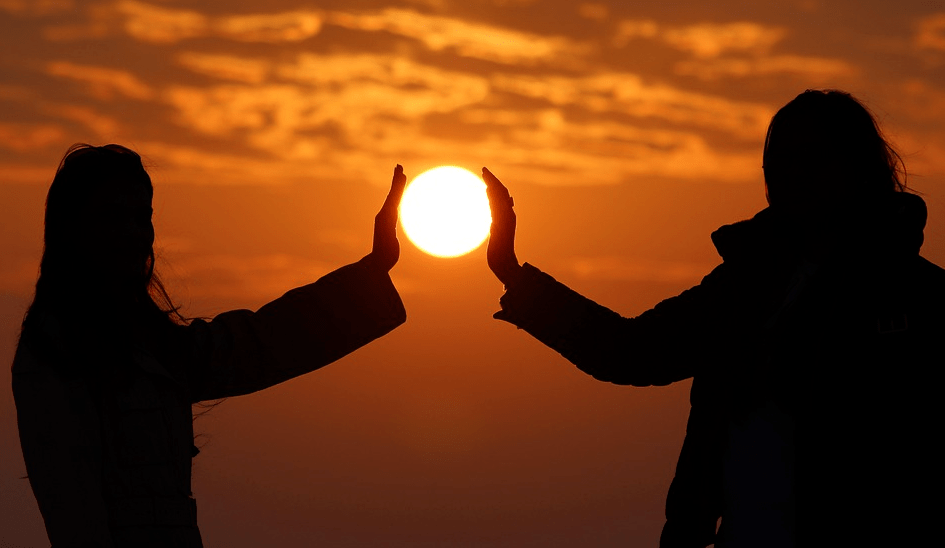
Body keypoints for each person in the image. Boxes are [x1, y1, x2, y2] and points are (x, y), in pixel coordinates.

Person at [481, 89, 945, 547]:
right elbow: (632, 352)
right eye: (778, 161)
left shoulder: (918, 297)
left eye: (810, 158)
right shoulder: (745, 284)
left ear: (858, 169)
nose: (790, 176)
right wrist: (513, 273)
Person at [12, 144, 408, 547]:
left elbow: (255, 345)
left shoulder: (153, 345)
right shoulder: (54, 354)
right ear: (72, 228)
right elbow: (75, 518)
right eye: (113, 216)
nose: (133, 233)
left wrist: (375, 269)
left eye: (142, 216)